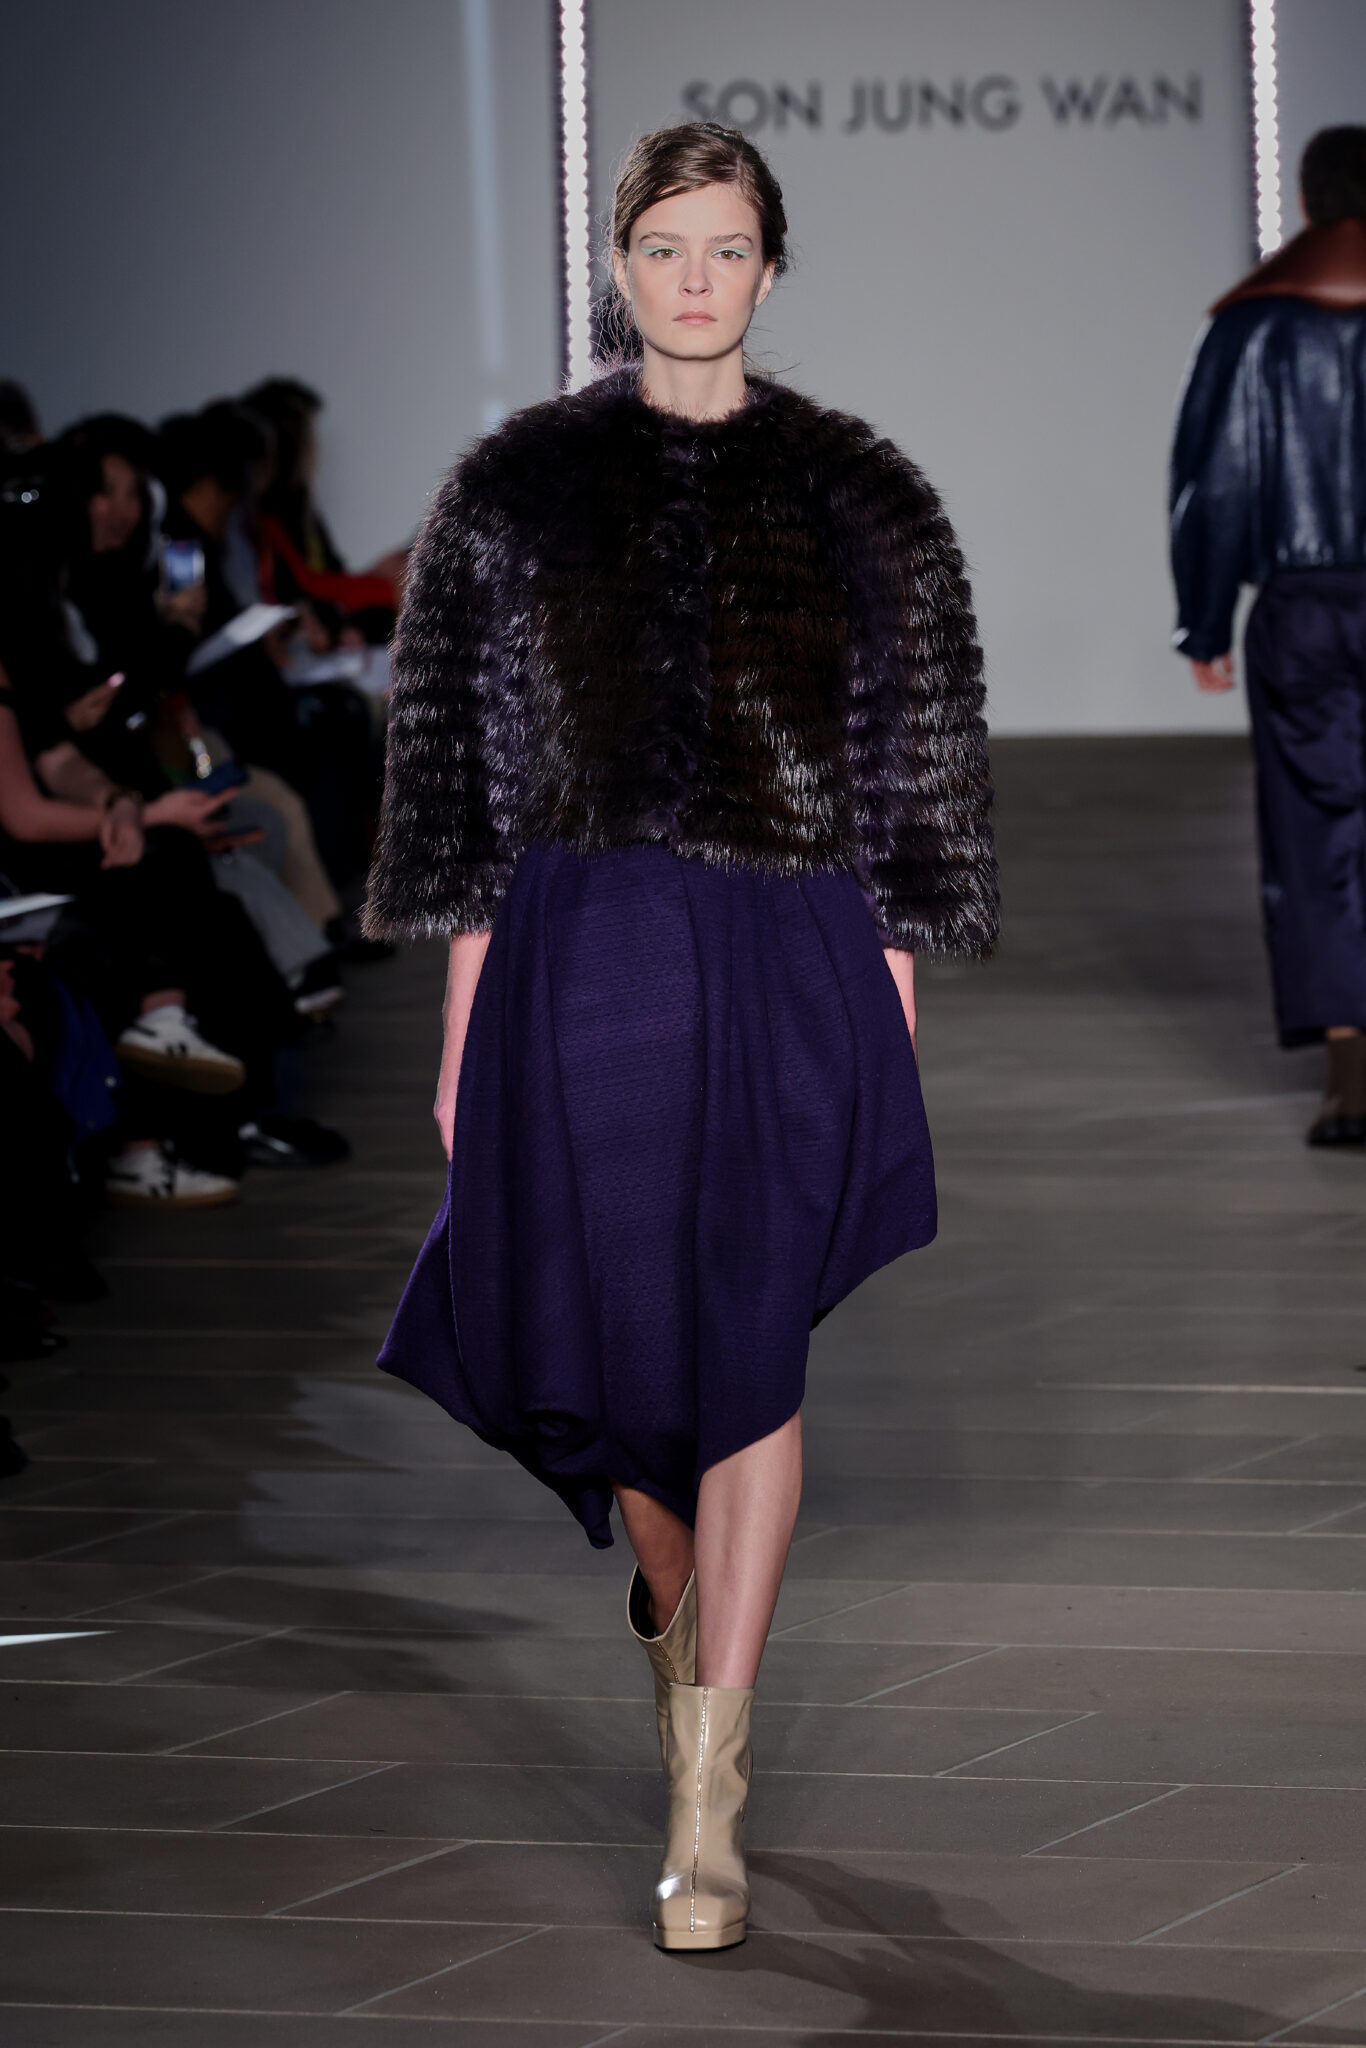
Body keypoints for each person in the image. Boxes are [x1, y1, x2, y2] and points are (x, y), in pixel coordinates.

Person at [364, 122, 997, 1951]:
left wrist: (892, 1000)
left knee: (749, 1346)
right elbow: (463, 780)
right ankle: (673, 1615)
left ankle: (705, 1795)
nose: (696, 278)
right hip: (587, 951)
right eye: (664, 246)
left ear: (770, 268)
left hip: (794, 948)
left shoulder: (860, 496)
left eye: (726, 247)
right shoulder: (518, 494)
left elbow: (913, 770)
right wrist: (462, 1021)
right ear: (620, 265)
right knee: (615, 1342)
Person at [1171, 125, 1366, 1145]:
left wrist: (1205, 620)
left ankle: (1349, 1076)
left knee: (1314, 828)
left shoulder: (1251, 326)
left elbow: (1215, 484)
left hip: (1300, 608)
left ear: (1303, 201)